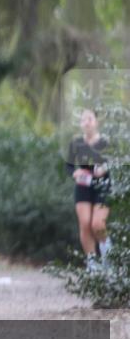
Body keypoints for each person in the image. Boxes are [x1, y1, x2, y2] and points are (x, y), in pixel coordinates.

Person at [65, 108, 112, 270]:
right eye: (83, 119)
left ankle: (108, 260)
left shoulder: (106, 142)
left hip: (103, 186)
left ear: (96, 122)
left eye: (90, 119)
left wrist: (104, 169)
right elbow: (69, 166)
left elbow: (114, 162)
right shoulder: (76, 143)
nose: (87, 122)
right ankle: (92, 264)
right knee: (85, 224)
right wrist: (75, 173)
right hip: (84, 186)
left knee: (97, 224)